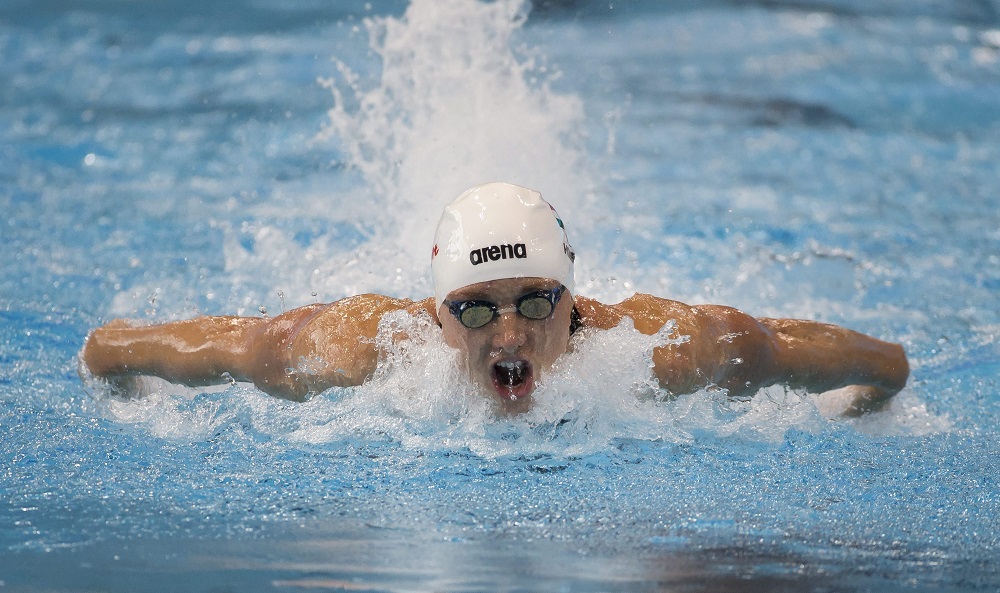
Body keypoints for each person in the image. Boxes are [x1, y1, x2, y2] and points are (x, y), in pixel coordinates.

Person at [81, 182, 909, 416]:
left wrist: (871, 396)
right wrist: (112, 363)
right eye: (476, 305)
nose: (510, 329)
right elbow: (152, 347)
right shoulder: (348, 350)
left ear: (573, 296)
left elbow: (883, 366)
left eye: (535, 299)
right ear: (437, 314)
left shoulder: (671, 349)